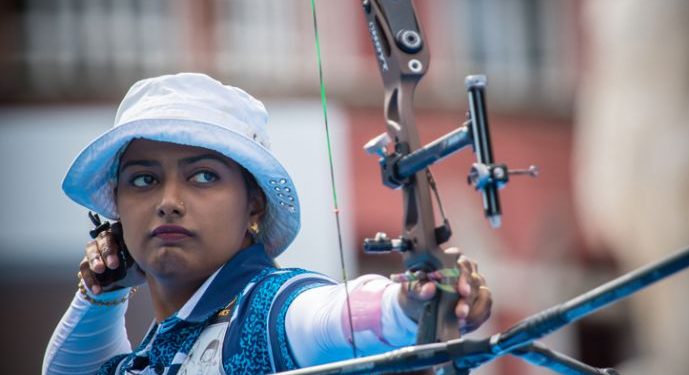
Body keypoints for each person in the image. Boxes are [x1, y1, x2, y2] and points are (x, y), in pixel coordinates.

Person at [42, 73, 492, 374]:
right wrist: (102, 290)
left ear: (253, 205)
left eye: (204, 176)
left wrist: (413, 303)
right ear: (117, 212)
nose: (169, 202)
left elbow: (327, 317)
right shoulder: (156, 350)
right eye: (143, 180)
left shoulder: (263, 310)